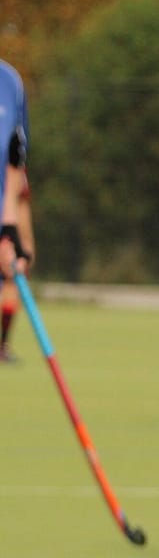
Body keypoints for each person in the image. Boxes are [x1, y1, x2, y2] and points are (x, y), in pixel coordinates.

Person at [0, 58, 34, 362]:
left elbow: (15, 159)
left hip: (3, 208)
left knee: (16, 269)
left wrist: (9, 228)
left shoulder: (9, 81)